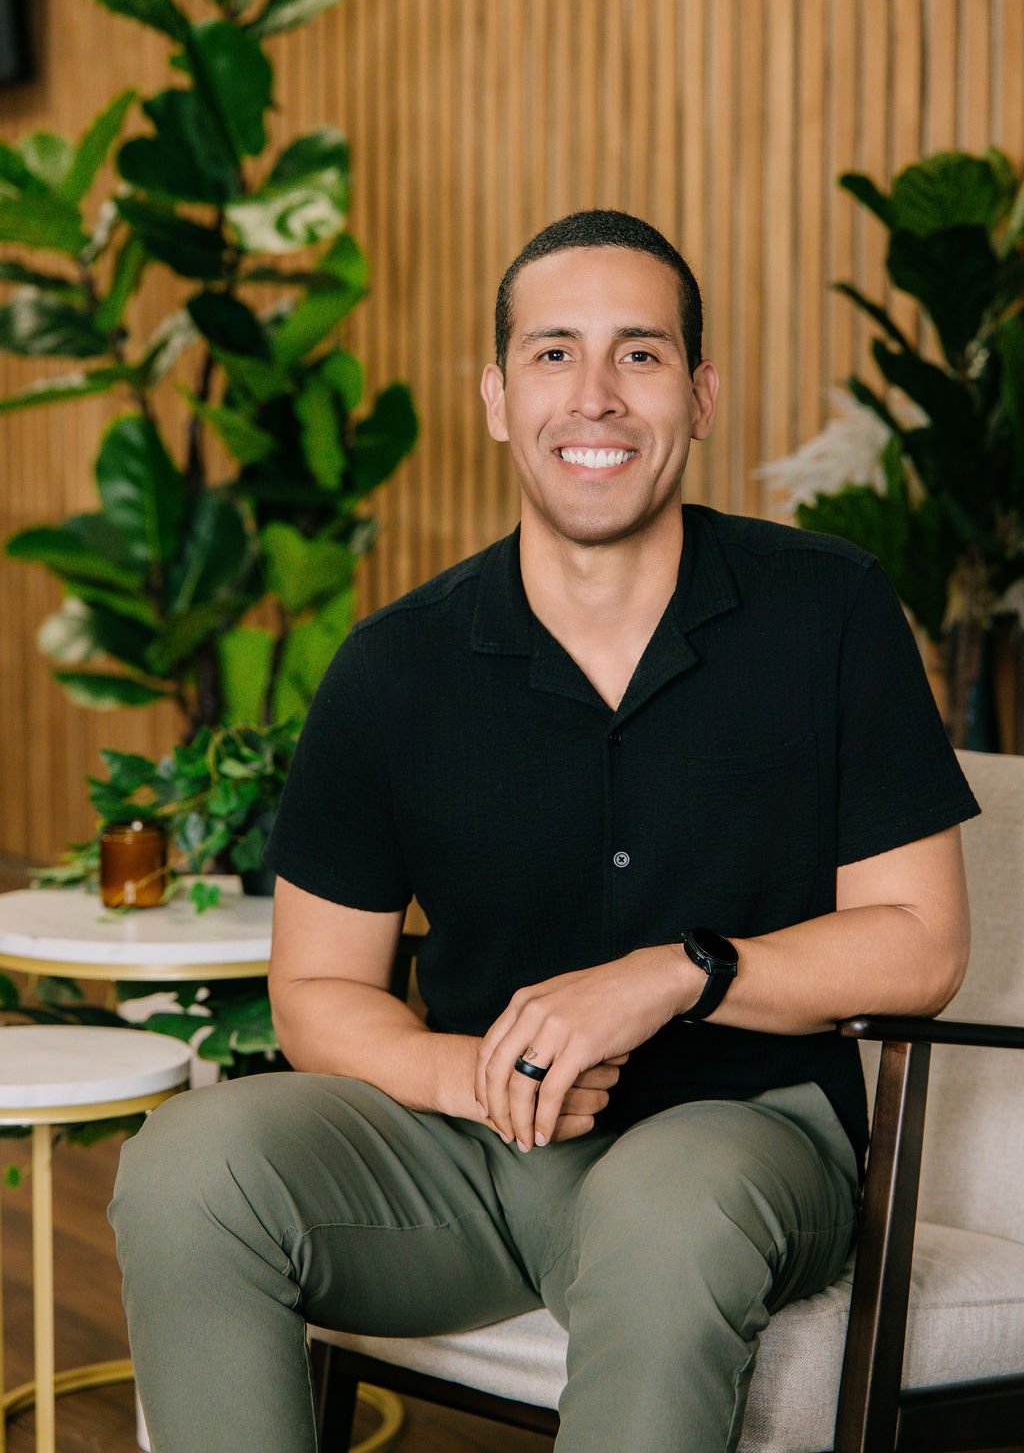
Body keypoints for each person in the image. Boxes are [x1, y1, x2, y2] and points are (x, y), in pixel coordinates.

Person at [110, 209, 980, 1453]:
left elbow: (920, 946)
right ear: (497, 397)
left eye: (640, 353)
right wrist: (463, 1073)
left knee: (664, 1210)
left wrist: (671, 974)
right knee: (193, 1162)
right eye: (553, 353)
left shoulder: (826, 606)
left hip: (741, 1138)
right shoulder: (391, 665)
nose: (596, 395)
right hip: (467, 1153)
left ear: (701, 394)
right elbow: (313, 990)